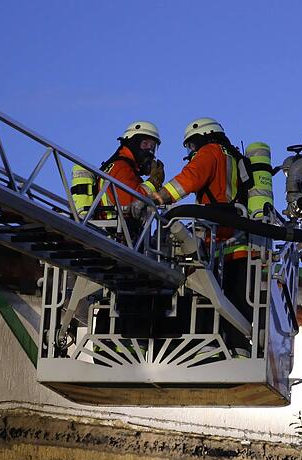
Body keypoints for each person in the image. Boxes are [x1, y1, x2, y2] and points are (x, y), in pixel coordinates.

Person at [150, 117, 254, 357]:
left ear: (203, 136)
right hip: (237, 233)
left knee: (197, 285)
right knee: (232, 294)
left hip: (213, 230)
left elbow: (191, 178)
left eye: (191, 145)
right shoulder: (235, 156)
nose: (191, 151)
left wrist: (161, 196)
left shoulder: (210, 151)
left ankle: (203, 344)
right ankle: (237, 347)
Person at [72, 121, 165, 241]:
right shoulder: (121, 166)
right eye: (145, 144)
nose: (149, 150)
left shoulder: (125, 168)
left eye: (153, 147)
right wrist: (154, 182)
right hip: (115, 232)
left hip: (117, 231)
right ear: (133, 142)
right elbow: (131, 203)